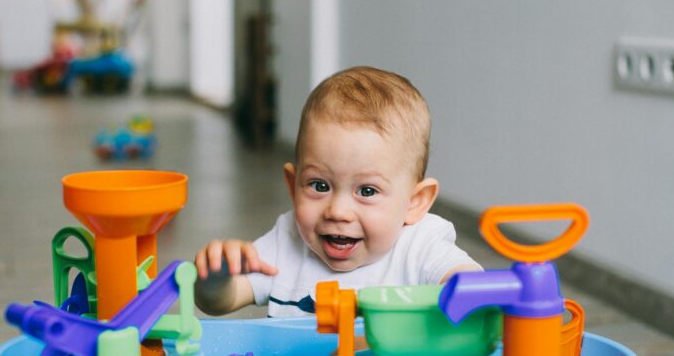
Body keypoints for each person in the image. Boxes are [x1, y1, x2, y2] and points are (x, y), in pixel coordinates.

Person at [194, 66, 482, 317]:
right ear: (294, 187)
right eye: (319, 186)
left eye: (367, 191)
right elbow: (220, 302)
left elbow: (470, 286)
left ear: (414, 202)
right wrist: (215, 279)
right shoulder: (287, 242)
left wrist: (464, 294)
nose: (338, 212)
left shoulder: (419, 247)